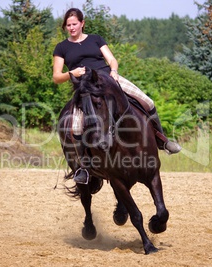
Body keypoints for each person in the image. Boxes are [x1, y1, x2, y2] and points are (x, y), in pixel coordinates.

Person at [53, 8, 181, 184]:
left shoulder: (96, 39)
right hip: (85, 89)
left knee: (148, 101)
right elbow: (56, 77)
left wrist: (113, 71)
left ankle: (162, 140)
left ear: (82, 23)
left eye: (74, 24)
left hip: (109, 80)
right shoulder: (62, 47)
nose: (71, 28)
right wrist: (72, 73)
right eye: (68, 25)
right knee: (75, 127)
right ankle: (83, 167)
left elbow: (112, 60)